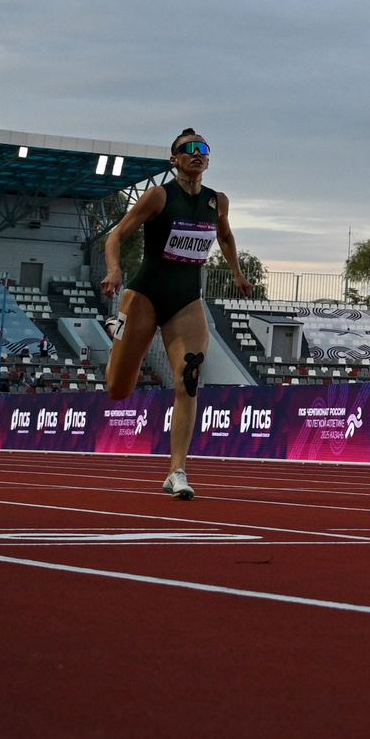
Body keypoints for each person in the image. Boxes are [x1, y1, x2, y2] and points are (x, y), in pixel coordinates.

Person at [102, 130, 253, 500]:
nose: (197, 154)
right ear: (174, 159)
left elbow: (226, 237)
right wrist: (114, 270)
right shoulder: (159, 195)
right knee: (118, 390)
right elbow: (116, 235)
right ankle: (117, 335)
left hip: (186, 300)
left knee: (189, 378)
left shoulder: (217, 202)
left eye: (203, 149)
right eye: (188, 150)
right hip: (144, 295)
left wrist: (236, 271)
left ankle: (177, 470)